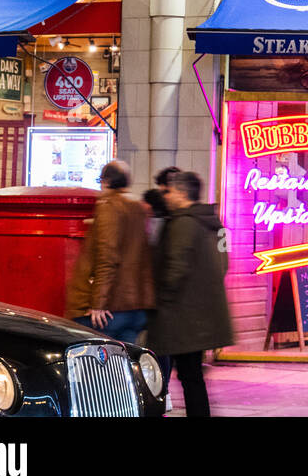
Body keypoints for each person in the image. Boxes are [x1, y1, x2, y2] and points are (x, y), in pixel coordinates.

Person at [145, 170, 233, 417]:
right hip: (201, 313)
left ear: (182, 193)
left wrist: (161, 300)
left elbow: (175, 267)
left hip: (180, 315)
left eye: (170, 190)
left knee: (168, 373)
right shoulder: (215, 222)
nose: (167, 196)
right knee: (191, 375)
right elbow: (224, 262)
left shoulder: (183, 222)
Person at [65, 160, 155, 345]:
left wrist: (98, 303)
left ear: (105, 181)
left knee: (92, 364)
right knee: (124, 363)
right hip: (136, 306)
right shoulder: (138, 208)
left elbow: (107, 256)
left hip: (111, 308)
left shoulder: (108, 206)